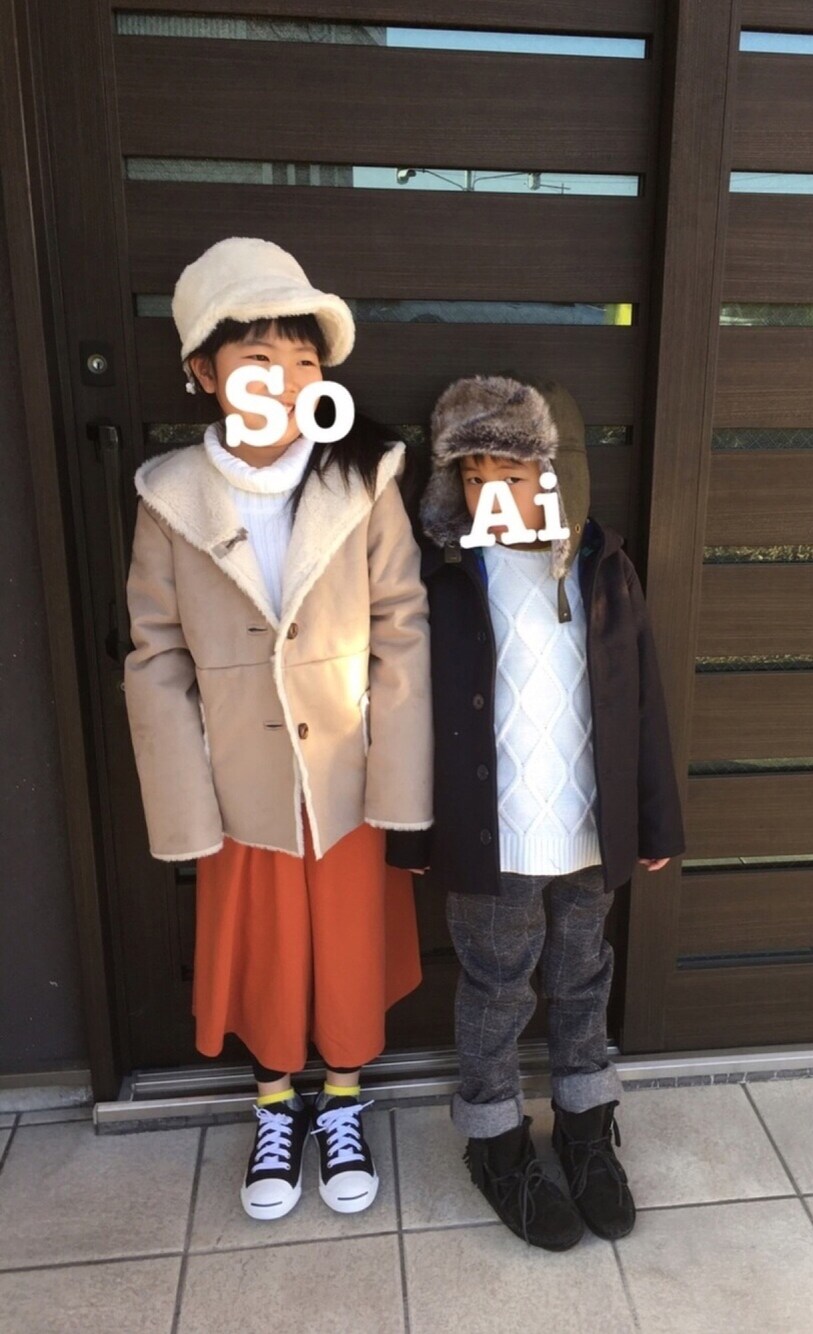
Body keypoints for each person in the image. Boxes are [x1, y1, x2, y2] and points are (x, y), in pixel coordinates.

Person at [124, 237, 431, 1221]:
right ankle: (271, 1103)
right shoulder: (170, 495)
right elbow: (154, 654)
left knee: (346, 941)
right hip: (240, 779)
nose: (286, 380)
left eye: (304, 360)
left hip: (347, 771)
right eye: (258, 358)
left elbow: (403, 626)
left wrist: (401, 778)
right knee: (260, 945)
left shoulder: (364, 477)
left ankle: (341, 1098)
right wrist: (185, 800)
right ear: (205, 371)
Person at [415, 374, 685, 1250]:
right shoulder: (448, 579)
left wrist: (655, 820)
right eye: (473, 477)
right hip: (492, 839)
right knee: (497, 989)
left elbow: (641, 699)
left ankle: (583, 1126)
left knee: (581, 977)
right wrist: (414, 830)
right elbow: (406, 713)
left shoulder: (606, 566)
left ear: (558, 474)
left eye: (513, 474)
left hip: (587, 832)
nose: (491, 493)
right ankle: (495, 1141)